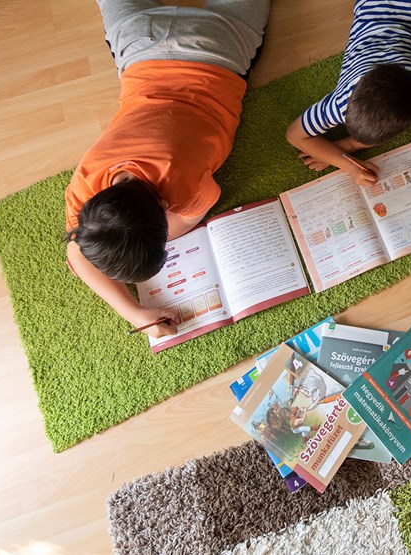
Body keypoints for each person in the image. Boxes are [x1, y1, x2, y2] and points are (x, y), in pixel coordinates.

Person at [65, 0, 270, 339]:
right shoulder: (84, 183)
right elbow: (77, 251)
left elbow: (191, 216)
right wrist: (135, 313)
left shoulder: (183, 187)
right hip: (141, 40)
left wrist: (136, 311)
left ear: (163, 208)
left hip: (216, 45)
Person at [285, 0, 411, 186]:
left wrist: (346, 147)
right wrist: (348, 163)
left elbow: (297, 136)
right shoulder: (342, 100)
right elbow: (293, 135)